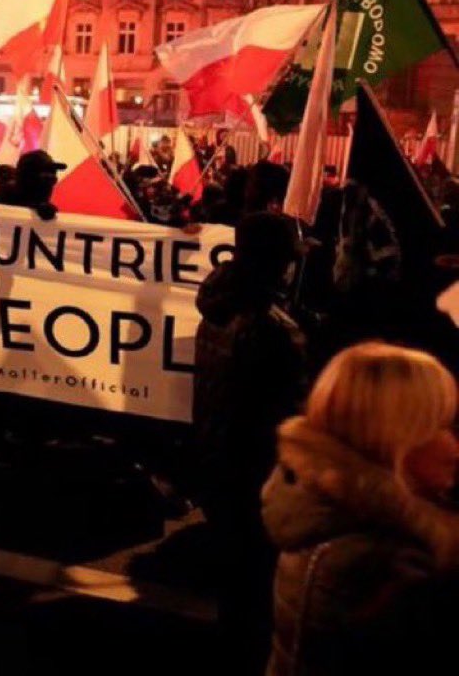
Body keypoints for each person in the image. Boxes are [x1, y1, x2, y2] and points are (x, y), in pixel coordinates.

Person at [263, 343, 459, 676]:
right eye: (442, 426)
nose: (455, 446)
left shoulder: (333, 521)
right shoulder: (384, 566)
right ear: (395, 437)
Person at [192, 210, 308, 675]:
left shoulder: (218, 304)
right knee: (259, 594)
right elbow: (294, 417)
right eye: (288, 259)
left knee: (233, 585)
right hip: (258, 475)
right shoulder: (275, 330)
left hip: (217, 461)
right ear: (275, 263)